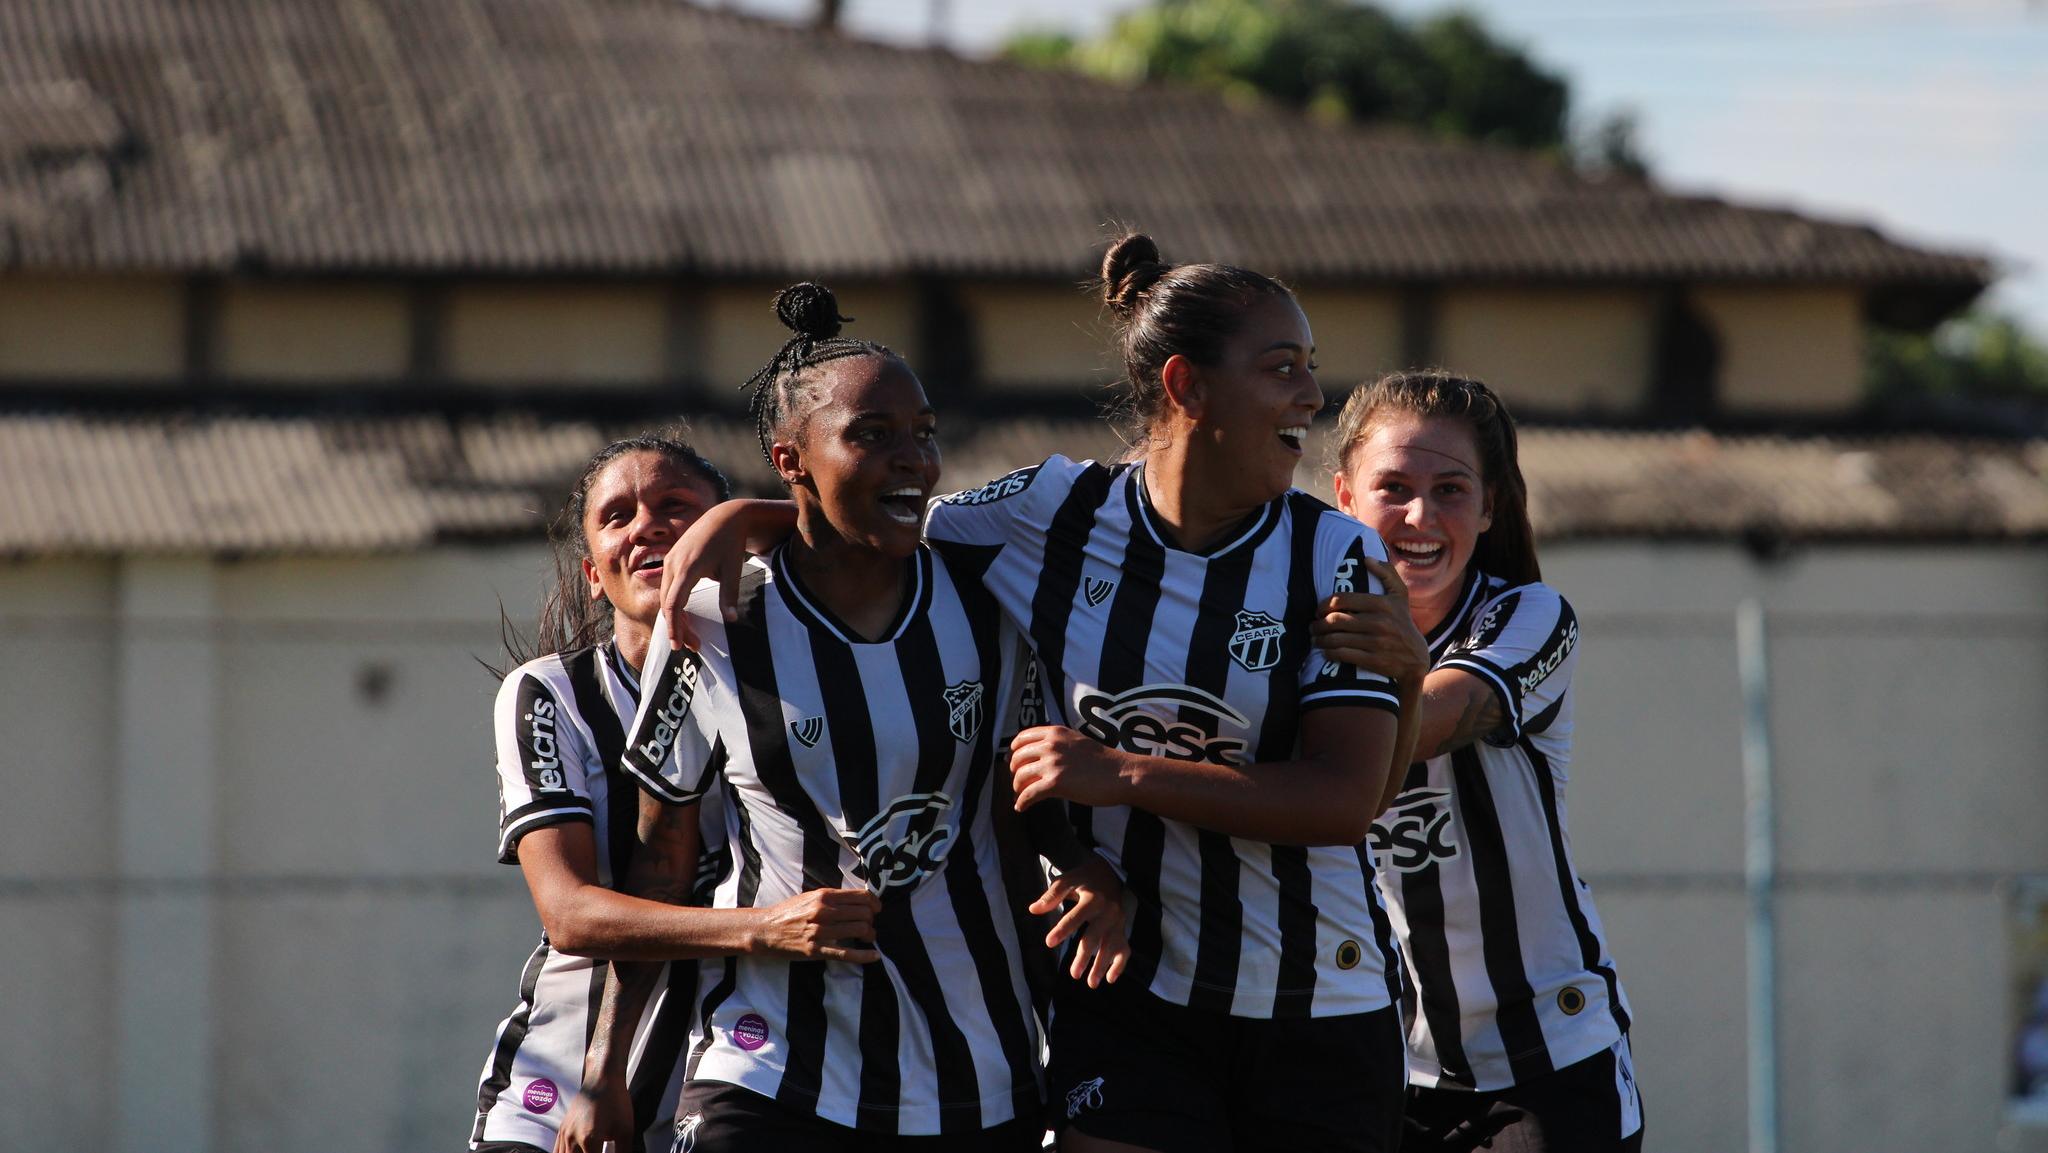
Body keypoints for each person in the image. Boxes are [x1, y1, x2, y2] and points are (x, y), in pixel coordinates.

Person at [663, 238, 1419, 1153]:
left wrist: (1120, 773)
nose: (1311, 396)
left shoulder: (1333, 555)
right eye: (1283, 368)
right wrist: (746, 513)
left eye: (1311, 369)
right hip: (1129, 991)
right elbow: (887, 514)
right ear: (1186, 385)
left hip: (1315, 997)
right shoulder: (1048, 513)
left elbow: (1339, 800)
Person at [612, 283, 1129, 1152]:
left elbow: (1015, 807)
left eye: (924, 435)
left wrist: (1082, 864)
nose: (914, 462)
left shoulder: (986, 593)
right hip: (769, 1059)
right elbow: (659, 862)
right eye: (873, 436)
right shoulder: (706, 622)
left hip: (978, 1064)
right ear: (791, 460)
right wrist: (607, 1077)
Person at [1318, 369, 1642, 1152]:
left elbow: (1434, 717)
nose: (1420, 514)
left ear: (1489, 505)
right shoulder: (1304, 630)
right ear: (1344, 498)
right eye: (1392, 486)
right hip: (1380, 1059)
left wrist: (1381, 670)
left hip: (1544, 1062)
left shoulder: (1529, 615)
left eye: (1452, 489)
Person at [471, 432, 740, 1153]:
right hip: (563, 1081)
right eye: (618, 516)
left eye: (676, 507)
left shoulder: (788, 677)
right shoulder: (550, 693)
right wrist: (769, 927)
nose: (647, 524)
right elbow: (569, 913)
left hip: (735, 1071)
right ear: (595, 573)